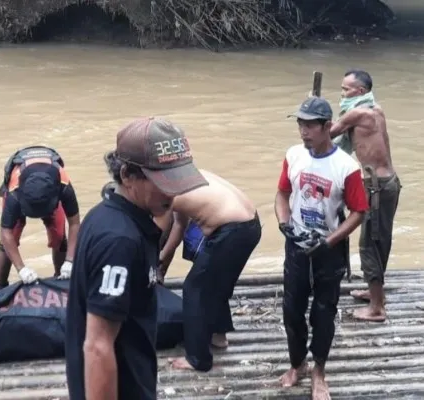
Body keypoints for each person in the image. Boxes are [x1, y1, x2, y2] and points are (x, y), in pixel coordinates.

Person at [65, 117, 207, 400]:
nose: (174, 192)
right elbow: (97, 346)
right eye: (164, 182)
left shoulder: (110, 216)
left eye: (178, 180)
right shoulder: (119, 242)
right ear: (128, 175)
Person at [275, 97, 368, 400]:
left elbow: (358, 212)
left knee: (323, 312)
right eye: (300, 123)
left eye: (310, 125)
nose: (303, 130)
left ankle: (319, 372)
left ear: (328, 127)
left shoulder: (346, 166)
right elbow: (282, 193)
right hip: (297, 245)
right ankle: (297, 364)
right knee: (291, 309)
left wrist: (329, 241)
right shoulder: (292, 155)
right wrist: (284, 222)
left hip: (328, 248)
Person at [158, 169, 262, 372]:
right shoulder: (184, 175)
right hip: (250, 225)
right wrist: (161, 259)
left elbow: (154, 231)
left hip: (233, 230)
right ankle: (218, 336)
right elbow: (179, 226)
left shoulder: (161, 190)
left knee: (195, 288)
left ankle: (198, 358)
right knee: (217, 283)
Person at [330, 69, 401, 322]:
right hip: (388, 182)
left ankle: (377, 308)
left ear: (359, 92)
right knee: (380, 240)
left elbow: (326, 135)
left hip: (376, 186)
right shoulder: (376, 109)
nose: (342, 94)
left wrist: (311, 114)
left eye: (345, 90)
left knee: (369, 243)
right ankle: (375, 293)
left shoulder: (357, 113)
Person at [0, 145, 81, 290]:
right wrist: (21, 269)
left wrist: (70, 261)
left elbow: (74, 223)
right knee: (9, 242)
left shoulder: (63, 185)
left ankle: (62, 281)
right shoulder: (14, 193)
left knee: (59, 236)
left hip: (49, 194)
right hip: (23, 191)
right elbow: (5, 232)